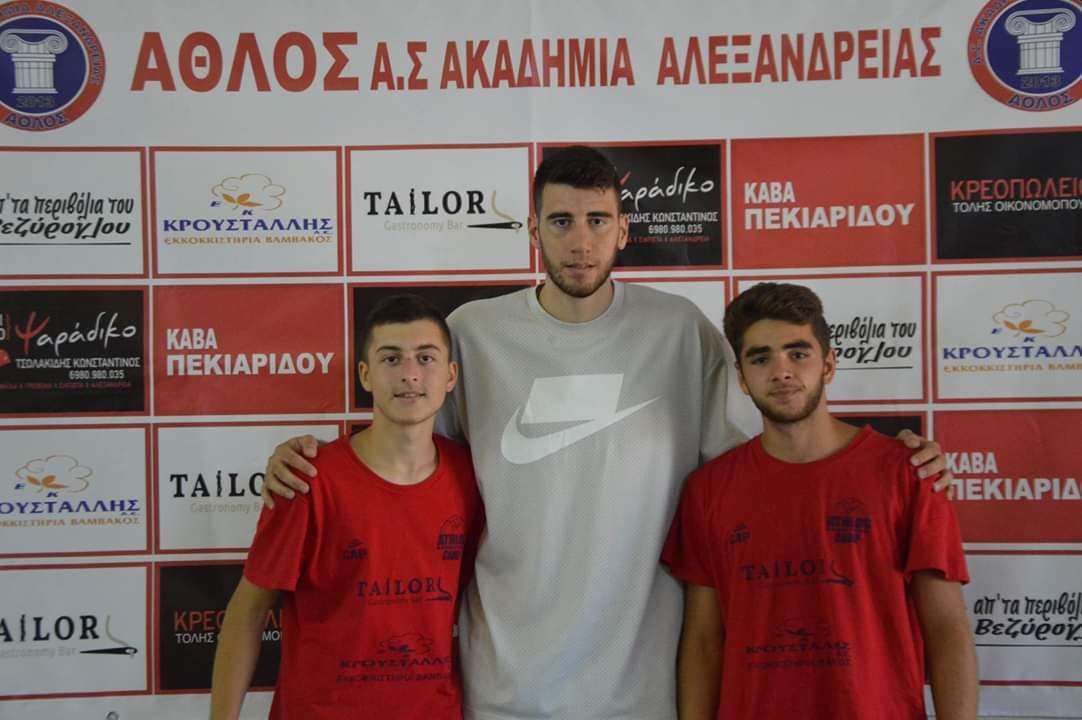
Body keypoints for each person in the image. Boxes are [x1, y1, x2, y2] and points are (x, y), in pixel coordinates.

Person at [261, 146, 953, 719]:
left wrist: (887, 462)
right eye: (560, 221)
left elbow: (768, 465)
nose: (580, 241)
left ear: (623, 231)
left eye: (597, 220)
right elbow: (403, 465)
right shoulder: (472, 332)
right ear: (533, 232)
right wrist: (310, 462)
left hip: (642, 689)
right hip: (503, 686)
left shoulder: (680, 331)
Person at [662, 282, 977, 720]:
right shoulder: (708, 490)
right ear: (742, 376)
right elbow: (703, 642)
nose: (781, 371)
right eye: (761, 358)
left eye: (798, 353)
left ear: (828, 365)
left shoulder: (910, 474)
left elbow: (947, 631)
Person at [209, 294, 483, 720]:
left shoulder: (473, 478)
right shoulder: (307, 479)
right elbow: (248, 612)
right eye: (391, 358)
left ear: (450, 376)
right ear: (365, 375)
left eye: (425, 358)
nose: (410, 374)